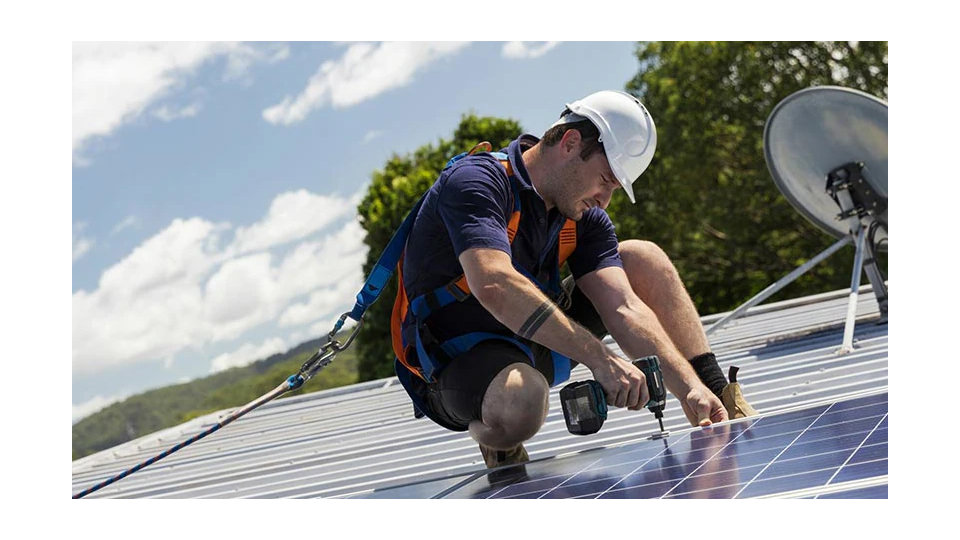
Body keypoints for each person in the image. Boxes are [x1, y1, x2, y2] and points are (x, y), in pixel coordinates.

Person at [391, 90, 756, 470]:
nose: (604, 200)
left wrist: (690, 388)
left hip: (534, 344)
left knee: (642, 258)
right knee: (522, 400)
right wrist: (601, 359)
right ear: (570, 143)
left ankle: (718, 396)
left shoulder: (582, 217)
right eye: (605, 180)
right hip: (458, 362)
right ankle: (498, 440)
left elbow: (623, 307)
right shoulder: (476, 181)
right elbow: (494, 284)